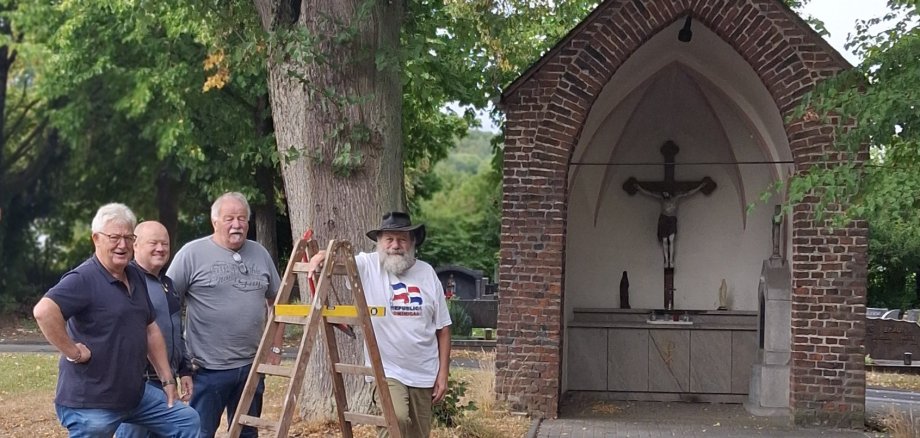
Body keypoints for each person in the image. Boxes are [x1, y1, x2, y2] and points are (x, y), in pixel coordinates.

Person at [33, 203, 199, 438]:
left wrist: (167, 379)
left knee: (186, 421)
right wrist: (73, 352)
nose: (122, 245)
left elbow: (150, 329)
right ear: (96, 239)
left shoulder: (135, 275)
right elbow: (44, 311)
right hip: (91, 403)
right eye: (114, 237)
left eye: (128, 238)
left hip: (135, 395)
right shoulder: (83, 278)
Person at [308, 211, 452, 438]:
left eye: (402, 239)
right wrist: (324, 255)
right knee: (396, 419)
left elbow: (443, 328)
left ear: (412, 243)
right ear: (379, 242)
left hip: (423, 371)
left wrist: (443, 374)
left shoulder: (427, 273)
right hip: (387, 370)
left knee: (417, 433)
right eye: (389, 239)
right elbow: (341, 261)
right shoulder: (368, 265)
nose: (395, 245)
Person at [167, 192, 283, 438]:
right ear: (215, 221)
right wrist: (178, 357)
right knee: (199, 432)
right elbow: (166, 303)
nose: (236, 224)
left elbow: (278, 302)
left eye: (241, 218)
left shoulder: (260, 253)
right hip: (206, 369)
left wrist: (275, 346)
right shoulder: (191, 254)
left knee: (247, 433)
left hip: (251, 367)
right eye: (229, 218)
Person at [115, 221, 195, 438]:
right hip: (140, 384)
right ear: (135, 245)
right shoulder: (125, 280)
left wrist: (185, 370)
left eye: (165, 244)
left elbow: (176, 330)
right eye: (153, 243)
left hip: (166, 381)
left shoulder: (168, 284)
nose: (160, 249)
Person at [634, 183, 707, 269]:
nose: (664, 194)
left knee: (671, 240)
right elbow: (650, 193)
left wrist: (699, 187)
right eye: (663, 193)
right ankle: (666, 261)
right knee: (665, 241)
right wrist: (640, 188)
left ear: (669, 192)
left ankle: (671, 261)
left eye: (665, 192)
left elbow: (688, 193)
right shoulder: (661, 198)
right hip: (663, 220)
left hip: (672, 220)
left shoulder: (676, 198)